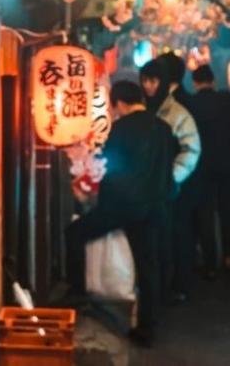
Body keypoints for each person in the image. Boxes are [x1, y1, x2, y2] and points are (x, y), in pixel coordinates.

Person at [64, 81, 176, 347]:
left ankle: (78, 293)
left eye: (114, 108)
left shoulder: (122, 128)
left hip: (122, 206)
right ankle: (147, 328)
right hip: (154, 207)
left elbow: (107, 167)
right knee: (148, 266)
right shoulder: (163, 129)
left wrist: (88, 190)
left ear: (120, 104)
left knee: (75, 233)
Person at [140, 57, 200, 301]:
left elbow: (191, 148)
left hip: (175, 189)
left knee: (177, 235)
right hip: (147, 188)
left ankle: (179, 285)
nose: (149, 86)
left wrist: (173, 177)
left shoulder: (177, 113)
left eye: (153, 80)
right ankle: (159, 287)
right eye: (144, 80)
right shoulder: (143, 109)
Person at [188, 64, 230, 274]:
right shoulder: (226, 99)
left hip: (201, 164)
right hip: (225, 162)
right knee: (227, 210)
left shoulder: (191, 103)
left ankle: (210, 261)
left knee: (205, 213)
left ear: (195, 83)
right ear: (213, 80)